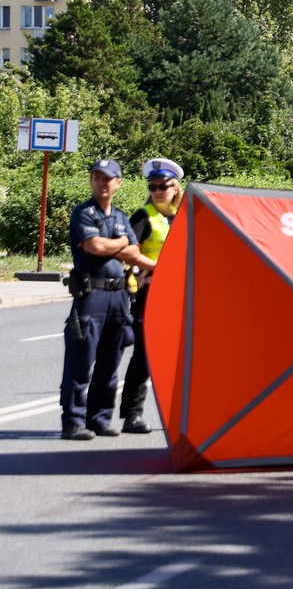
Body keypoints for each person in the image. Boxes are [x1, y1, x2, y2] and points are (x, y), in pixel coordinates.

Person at [59, 160, 155, 441]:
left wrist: (159, 266)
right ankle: (74, 422)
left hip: (119, 295)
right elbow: (96, 246)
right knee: (80, 361)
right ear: (91, 181)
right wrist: (121, 243)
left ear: (118, 183)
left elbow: (134, 252)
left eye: (108, 178)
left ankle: (99, 418)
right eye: (97, 177)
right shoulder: (83, 213)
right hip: (92, 296)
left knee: (110, 361)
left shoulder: (122, 216)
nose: (102, 183)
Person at [118, 158, 183, 435]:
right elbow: (125, 252)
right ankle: (132, 415)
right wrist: (142, 272)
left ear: (175, 187)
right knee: (144, 356)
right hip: (149, 296)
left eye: (163, 186)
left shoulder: (184, 216)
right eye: (153, 186)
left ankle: (180, 416)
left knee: (180, 357)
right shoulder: (143, 216)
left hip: (180, 296)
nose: (158, 191)